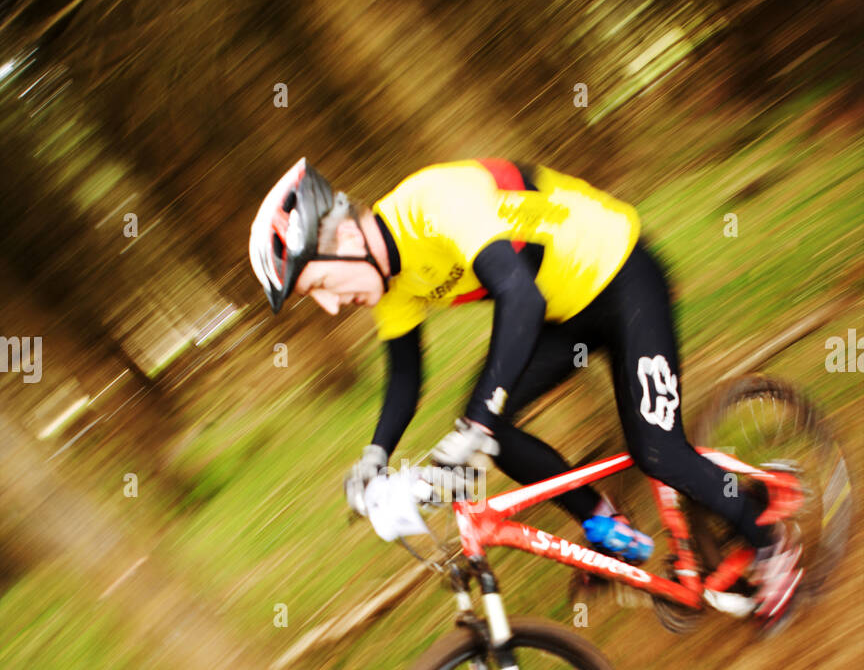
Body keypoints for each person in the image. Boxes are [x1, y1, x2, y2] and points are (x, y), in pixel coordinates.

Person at [249, 156, 801, 622]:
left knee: (657, 449)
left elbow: (521, 300)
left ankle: (768, 540)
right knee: (499, 429)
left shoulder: (433, 202)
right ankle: (606, 522)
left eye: (320, 283)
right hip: (563, 314)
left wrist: (474, 423)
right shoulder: (390, 283)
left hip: (622, 277)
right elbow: (405, 377)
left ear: (346, 236)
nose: (330, 304)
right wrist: (375, 455)